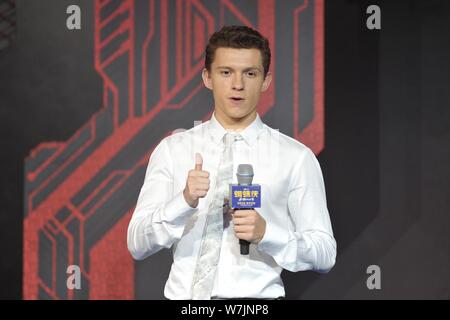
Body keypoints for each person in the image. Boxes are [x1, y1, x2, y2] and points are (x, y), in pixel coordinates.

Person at [127, 25, 336, 300]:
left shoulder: (295, 158)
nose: (238, 84)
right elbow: (137, 244)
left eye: (250, 73)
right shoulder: (173, 150)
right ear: (207, 77)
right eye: (226, 72)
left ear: (265, 81)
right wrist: (184, 201)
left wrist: (267, 233)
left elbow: (324, 253)